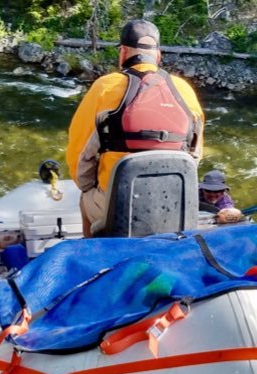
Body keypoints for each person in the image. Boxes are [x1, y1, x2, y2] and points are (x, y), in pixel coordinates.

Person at [66, 19, 205, 237]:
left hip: (118, 204)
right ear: (158, 55)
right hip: (173, 200)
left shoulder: (105, 87)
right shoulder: (184, 90)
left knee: (85, 198)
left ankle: (94, 253)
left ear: (123, 52)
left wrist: (89, 188)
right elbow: (195, 155)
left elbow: (79, 155)